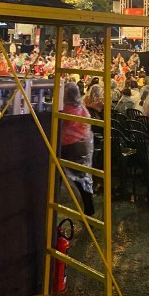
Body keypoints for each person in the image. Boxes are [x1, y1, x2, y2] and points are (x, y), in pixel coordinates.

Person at [61, 82, 94, 215]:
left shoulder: (67, 110)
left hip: (69, 148)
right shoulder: (82, 108)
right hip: (82, 147)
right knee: (83, 180)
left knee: (60, 176)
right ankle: (89, 208)